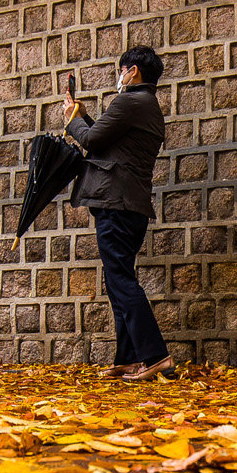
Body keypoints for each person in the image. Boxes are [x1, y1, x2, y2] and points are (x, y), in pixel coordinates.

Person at [64, 45, 172, 381]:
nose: (120, 76)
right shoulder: (148, 106)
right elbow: (108, 140)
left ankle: (156, 356)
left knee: (121, 281)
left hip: (116, 203)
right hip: (132, 206)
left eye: (121, 70)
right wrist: (83, 118)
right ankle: (128, 357)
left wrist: (72, 119)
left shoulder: (129, 101)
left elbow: (92, 141)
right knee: (118, 280)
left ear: (133, 71)